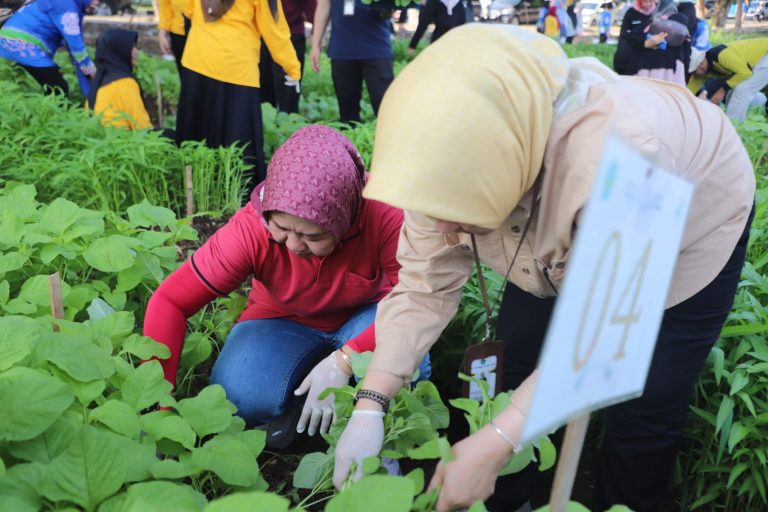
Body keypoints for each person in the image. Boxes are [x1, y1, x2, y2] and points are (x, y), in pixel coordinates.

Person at [331, 24, 755, 512]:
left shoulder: (626, 150)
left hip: (691, 234)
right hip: (550, 239)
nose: (442, 222)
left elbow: (606, 335)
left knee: (646, 403)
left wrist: (495, 440)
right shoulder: (442, 157)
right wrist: (372, 402)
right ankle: (506, 497)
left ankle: (626, 499)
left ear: (506, 165)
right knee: (517, 365)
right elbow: (424, 286)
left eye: (455, 205)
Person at [143, 125, 430, 442]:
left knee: (405, 372)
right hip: (281, 319)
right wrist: (158, 410)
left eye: (313, 236)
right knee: (237, 397)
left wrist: (345, 360)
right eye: (281, 228)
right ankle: (306, 414)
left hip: (367, 317)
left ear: (345, 220)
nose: (293, 245)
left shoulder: (384, 212)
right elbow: (171, 301)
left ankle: (355, 417)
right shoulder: (251, 229)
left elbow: (418, 301)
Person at [176, 0, 301, 190]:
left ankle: (194, 189)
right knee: (238, 146)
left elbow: (187, 8)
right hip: (236, 68)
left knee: (196, 138)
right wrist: (292, 67)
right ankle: (235, 200)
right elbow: (274, 28)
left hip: (198, 60)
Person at [311, 0, 394, 124]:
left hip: (376, 48)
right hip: (342, 49)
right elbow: (324, 5)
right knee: (347, 109)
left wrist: (388, 8)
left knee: (384, 104)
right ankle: (350, 140)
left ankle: (389, 140)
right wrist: (315, 45)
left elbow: (390, 9)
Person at [0, 0, 98, 96]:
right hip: (23, 44)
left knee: (53, 85)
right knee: (58, 88)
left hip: (12, 39)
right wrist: (93, 73)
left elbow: (76, 51)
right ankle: (53, 111)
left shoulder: (70, 5)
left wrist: (88, 84)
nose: (96, 3)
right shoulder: (67, 7)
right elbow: (76, 47)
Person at [690, 38, 768, 122]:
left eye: (694, 71)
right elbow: (690, 90)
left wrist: (722, 90)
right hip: (752, 64)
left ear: (700, 64)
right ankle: (759, 104)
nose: (694, 74)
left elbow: (745, 73)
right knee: (732, 93)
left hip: (764, 56)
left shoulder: (722, 56)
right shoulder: (704, 69)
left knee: (741, 90)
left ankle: (733, 129)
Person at [87, 29, 152, 131]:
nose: (136, 52)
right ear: (119, 51)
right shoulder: (124, 83)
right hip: (122, 140)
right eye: (131, 48)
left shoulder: (99, 79)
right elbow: (142, 126)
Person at [259, 0, 316, 114]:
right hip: (263, 37)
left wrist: (317, 35)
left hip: (291, 37)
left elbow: (311, 7)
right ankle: (266, 128)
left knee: (288, 96)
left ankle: (289, 127)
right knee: (264, 93)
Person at [613, 0, 686, 85]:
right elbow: (625, 35)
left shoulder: (659, 14)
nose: (648, 4)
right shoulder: (631, 12)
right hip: (634, 50)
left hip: (650, 55)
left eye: (650, 1)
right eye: (645, 2)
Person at [157, 0, 187, 76]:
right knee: (184, 75)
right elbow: (165, 7)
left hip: (201, 33)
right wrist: (162, 34)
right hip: (178, 34)